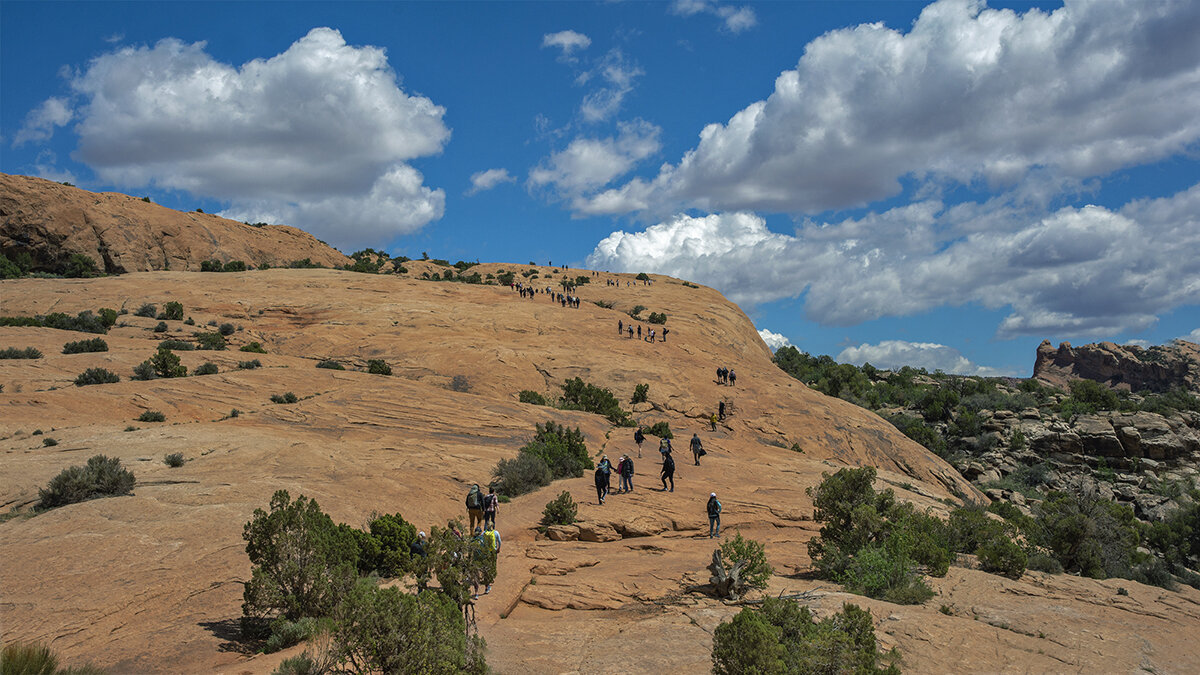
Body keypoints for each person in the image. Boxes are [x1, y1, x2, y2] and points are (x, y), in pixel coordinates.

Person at [482, 523, 501, 594]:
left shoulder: (484, 533)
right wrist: (499, 548)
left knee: (487, 564)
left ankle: (487, 578)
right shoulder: (496, 533)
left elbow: (481, 540)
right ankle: (492, 577)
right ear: (493, 526)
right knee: (493, 563)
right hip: (493, 551)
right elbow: (499, 541)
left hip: (486, 551)